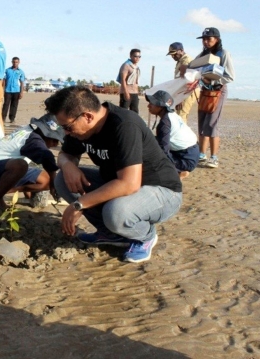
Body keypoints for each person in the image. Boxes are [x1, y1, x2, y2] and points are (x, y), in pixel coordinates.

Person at [46, 86, 182, 263]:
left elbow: (129, 184)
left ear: (87, 116)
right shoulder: (81, 128)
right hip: (119, 183)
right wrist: (67, 165)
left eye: (68, 127)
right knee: (62, 180)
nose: (66, 133)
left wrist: (78, 205)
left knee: (116, 213)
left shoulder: (124, 125)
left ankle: (145, 236)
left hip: (162, 191)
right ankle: (112, 234)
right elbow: (65, 154)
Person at [0, 114, 64, 216]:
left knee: (46, 180)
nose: (55, 145)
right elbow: (47, 157)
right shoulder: (33, 140)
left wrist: (50, 184)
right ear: (43, 133)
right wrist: (54, 185)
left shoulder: (29, 131)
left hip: (2, 168)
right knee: (20, 165)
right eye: (54, 140)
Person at [185, 27, 235, 169]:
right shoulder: (203, 54)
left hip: (218, 91)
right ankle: (201, 155)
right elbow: (192, 67)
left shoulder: (224, 54)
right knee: (202, 123)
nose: (206, 42)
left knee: (212, 124)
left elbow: (230, 76)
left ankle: (214, 157)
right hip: (205, 92)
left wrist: (211, 81)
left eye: (209, 39)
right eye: (204, 39)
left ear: (217, 39)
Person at [146, 90, 199, 179]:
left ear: (161, 107)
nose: (148, 105)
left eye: (152, 103)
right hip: (192, 153)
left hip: (186, 159)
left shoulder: (165, 123)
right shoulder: (172, 115)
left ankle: (178, 172)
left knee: (153, 161)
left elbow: (164, 149)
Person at [166, 42, 199, 123]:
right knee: (179, 115)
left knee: (181, 115)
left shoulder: (186, 60)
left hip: (188, 90)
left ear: (181, 50)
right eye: (171, 54)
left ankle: (182, 135)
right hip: (183, 91)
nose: (173, 56)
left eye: (174, 54)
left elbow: (185, 80)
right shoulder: (180, 60)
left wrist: (180, 98)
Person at [2, 57, 25, 124]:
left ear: (19, 62)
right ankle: (3, 118)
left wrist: (21, 92)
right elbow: (4, 81)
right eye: (14, 62)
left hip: (16, 91)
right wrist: (3, 90)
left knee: (14, 105)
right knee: (6, 104)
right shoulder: (7, 70)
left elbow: (22, 82)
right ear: (12, 62)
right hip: (7, 90)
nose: (15, 63)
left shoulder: (21, 72)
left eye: (16, 62)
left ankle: (12, 118)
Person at [117, 49, 141, 113]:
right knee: (123, 112)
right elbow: (123, 80)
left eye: (139, 56)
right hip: (127, 92)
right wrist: (126, 93)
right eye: (135, 56)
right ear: (130, 56)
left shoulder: (136, 67)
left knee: (135, 113)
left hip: (134, 93)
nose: (137, 58)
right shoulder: (126, 65)